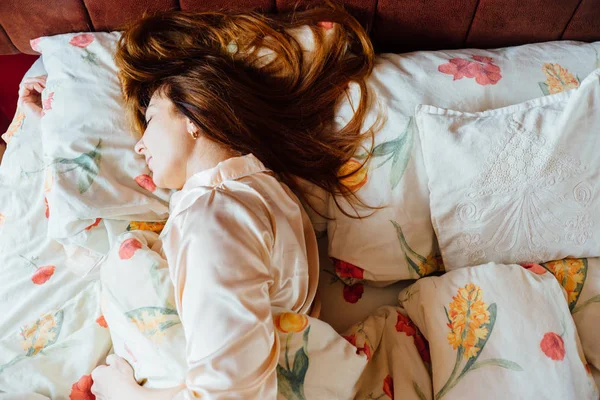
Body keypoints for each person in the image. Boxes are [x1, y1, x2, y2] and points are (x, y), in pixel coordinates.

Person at [19, 3, 379, 399]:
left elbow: (229, 393)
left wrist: (124, 392)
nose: (138, 146)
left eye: (151, 118)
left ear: (194, 116)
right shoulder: (255, 193)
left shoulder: (218, 214)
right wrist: (47, 128)